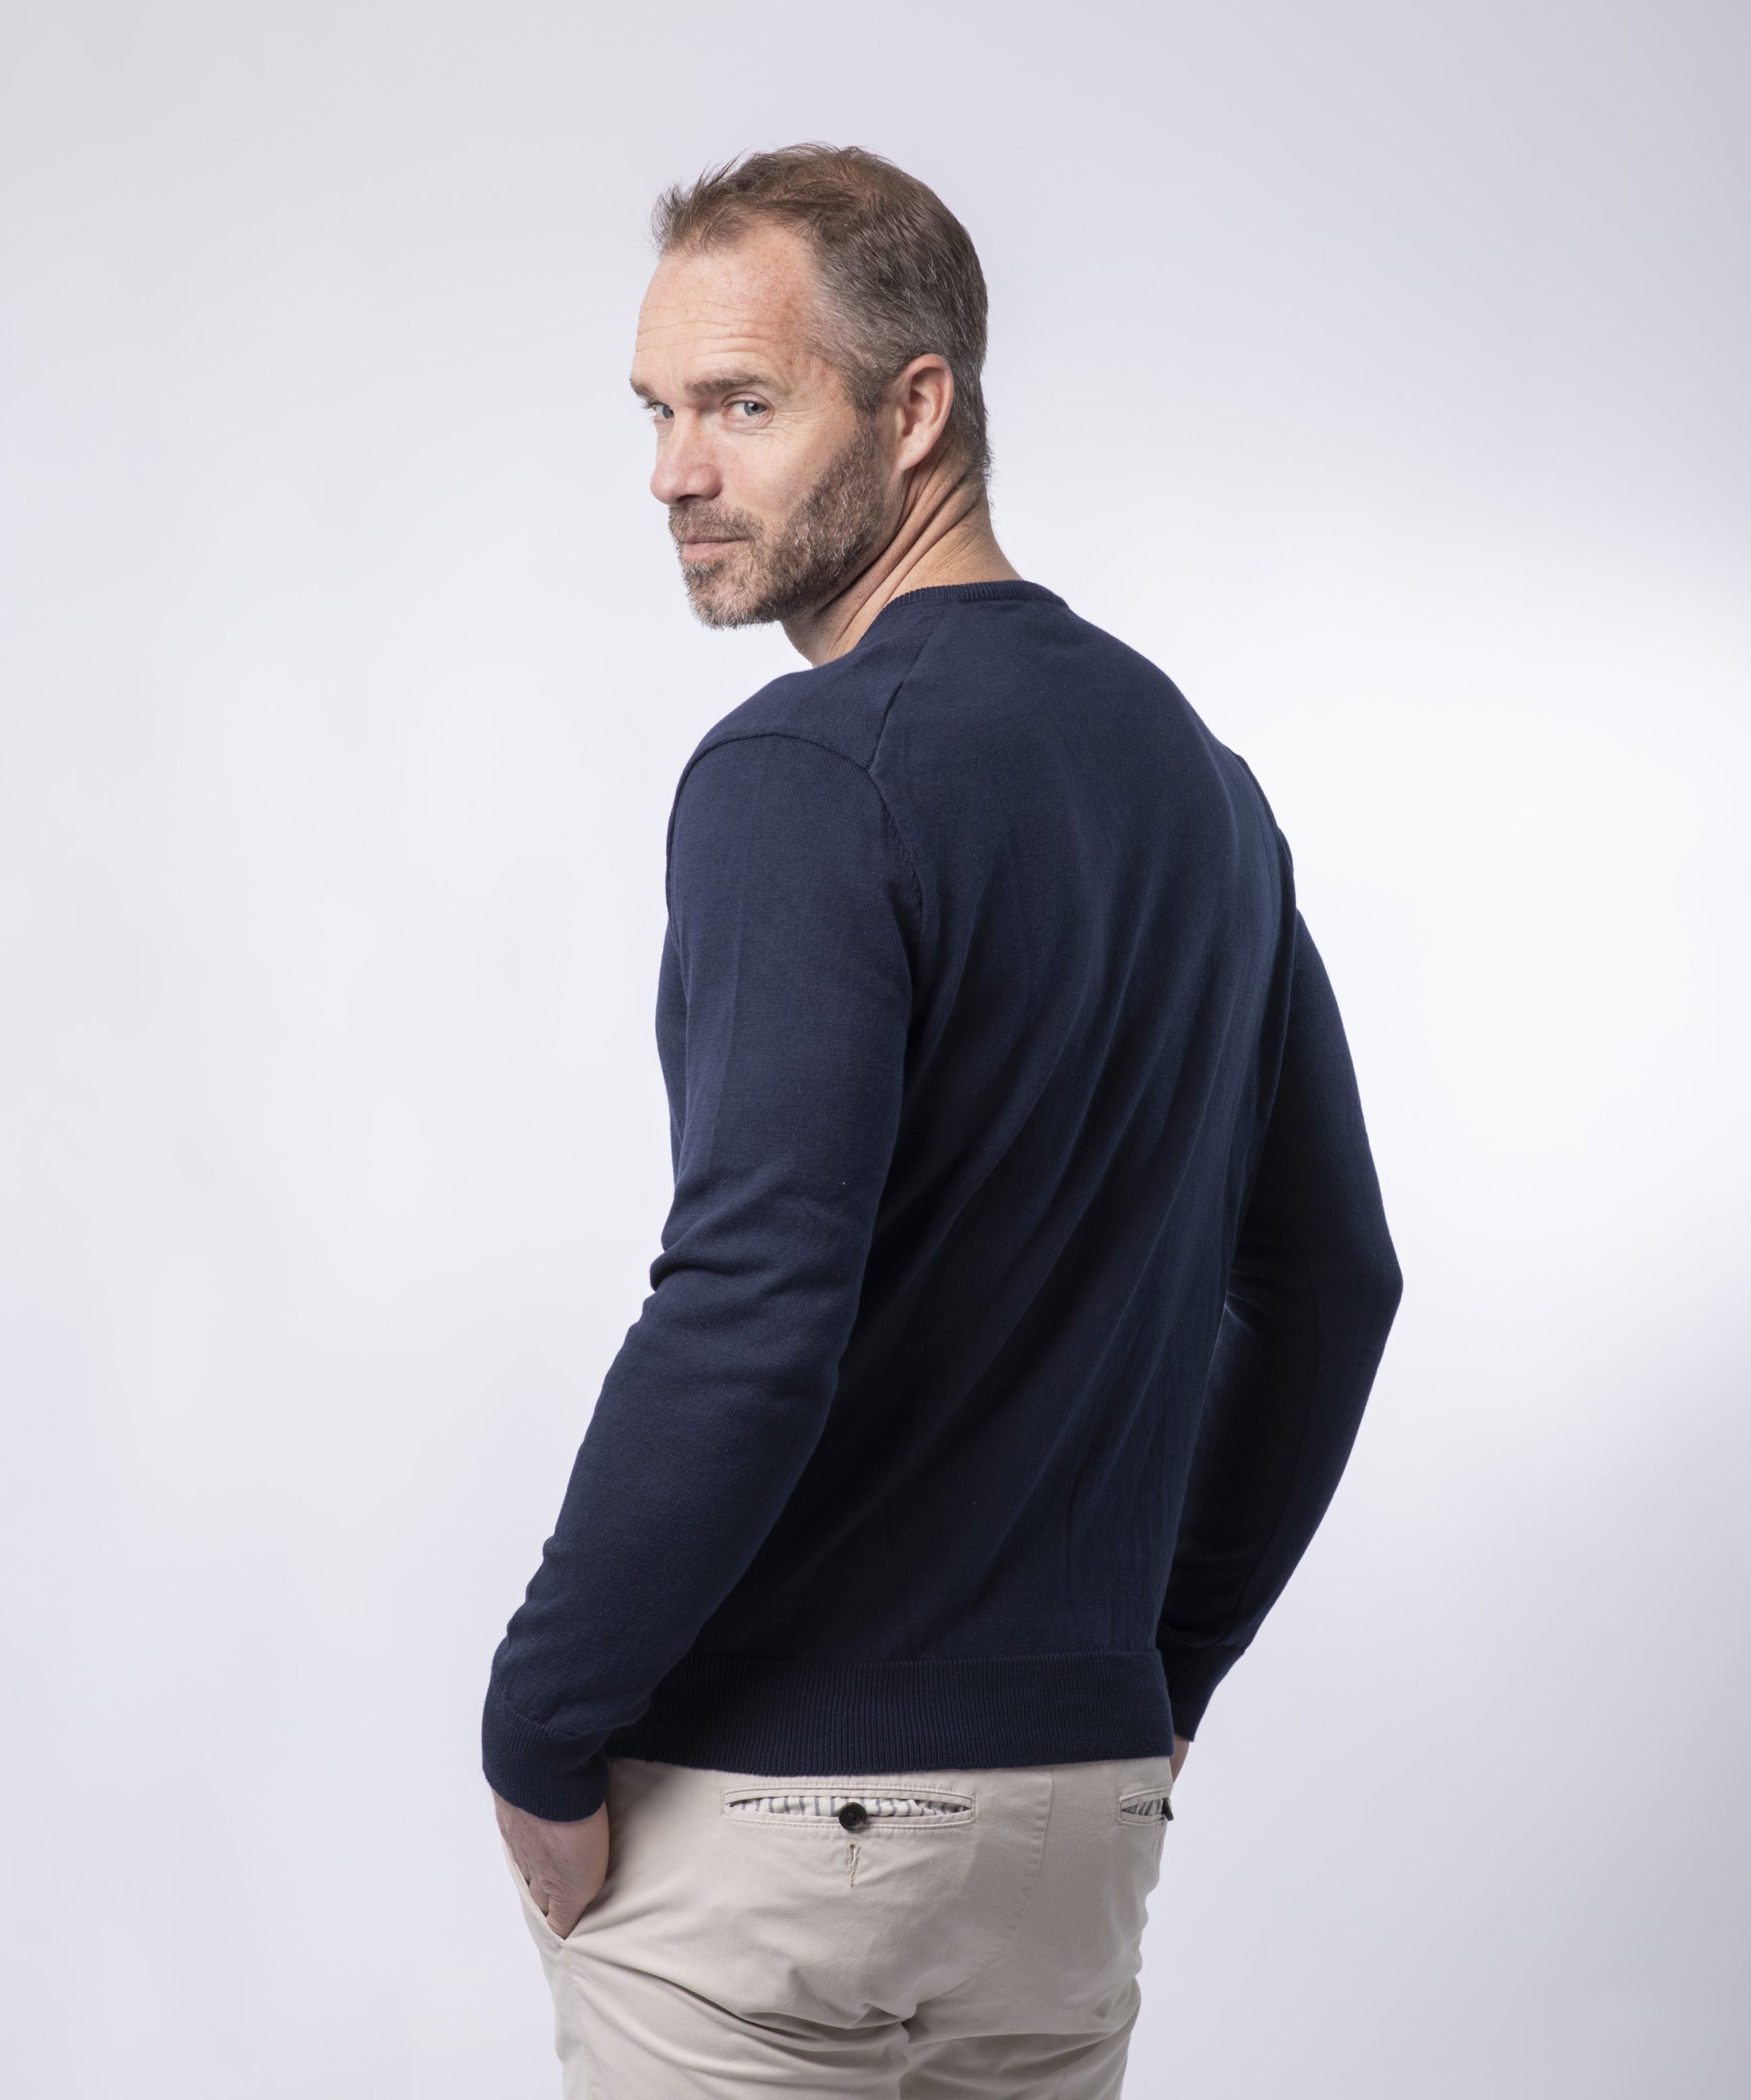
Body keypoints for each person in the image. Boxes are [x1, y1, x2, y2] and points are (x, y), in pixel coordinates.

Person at [482, 142, 1403, 2098]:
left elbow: (753, 1305)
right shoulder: (1198, 787)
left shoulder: (803, 769)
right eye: (655, 411)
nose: (672, 473)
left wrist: (535, 1726)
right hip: (1067, 1828)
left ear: (914, 411)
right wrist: (1155, 1671)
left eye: (741, 405)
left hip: (770, 1835)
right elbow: (1331, 1280)